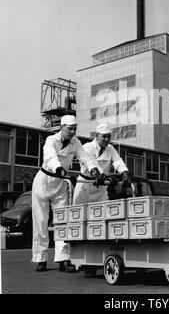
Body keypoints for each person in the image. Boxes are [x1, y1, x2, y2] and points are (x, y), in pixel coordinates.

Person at [32, 115, 102, 272]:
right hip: (43, 182)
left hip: (60, 185)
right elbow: (50, 156)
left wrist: (95, 171)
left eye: (75, 129)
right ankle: (41, 259)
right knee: (41, 222)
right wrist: (58, 168)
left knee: (62, 222)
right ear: (61, 128)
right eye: (70, 129)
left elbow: (85, 157)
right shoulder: (51, 140)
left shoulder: (75, 142)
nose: (72, 132)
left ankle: (63, 259)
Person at [73, 123, 132, 204]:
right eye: (104, 136)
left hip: (101, 190)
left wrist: (124, 172)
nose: (107, 139)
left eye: (109, 136)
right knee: (80, 214)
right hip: (85, 186)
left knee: (103, 213)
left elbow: (118, 161)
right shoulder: (87, 147)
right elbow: (93, 164)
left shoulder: (110, 148)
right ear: (97, 136)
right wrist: (103, 176)